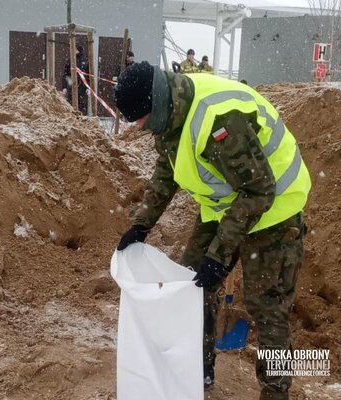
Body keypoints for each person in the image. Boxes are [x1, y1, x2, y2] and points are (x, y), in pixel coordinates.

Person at [114, 62, 310, 400]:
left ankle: (275, 394)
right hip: (227, 205)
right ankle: (197, 371)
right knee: (192, 286)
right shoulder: (170, 113)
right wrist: (141, 223)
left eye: (142, 119)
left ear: (156, 102)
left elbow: (259, 191)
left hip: (275, 210)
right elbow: (167, 169)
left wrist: (219, 255)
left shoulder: (219, 120)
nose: (141, 128)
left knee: (267, 308)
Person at [62, 45, 89, 114]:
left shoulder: (85, 61)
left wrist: (88, 87)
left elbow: (88, 75)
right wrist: (64, 87)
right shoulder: (70, 60)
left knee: (81, 105)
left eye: (74, 49)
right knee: (71, 105)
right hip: (71, 86)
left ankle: (81, 119)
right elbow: (66, 74)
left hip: (82, 88)